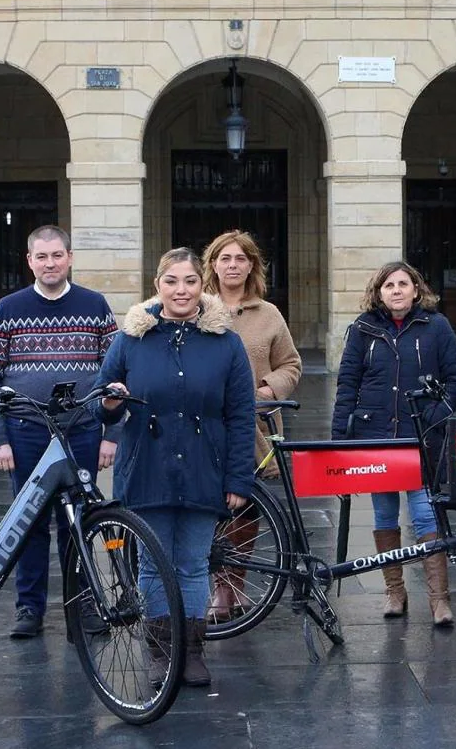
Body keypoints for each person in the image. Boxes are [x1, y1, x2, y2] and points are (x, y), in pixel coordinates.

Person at [94, 247, 254, 687]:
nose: (181, 290)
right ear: (157, 287)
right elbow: (101, 407)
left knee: (193, 562)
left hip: (205, 468)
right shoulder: (130, 338)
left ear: (202, 286)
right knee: (152, 563)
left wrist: (239, 477)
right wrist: (109, 401)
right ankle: (161, 652)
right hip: (147, 467)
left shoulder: (226, 342)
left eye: (189, 281)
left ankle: (192, 650)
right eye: (172, 281)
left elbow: (241, 415)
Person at [0, 225, 120, 639]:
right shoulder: (9, 307)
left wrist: (113, 434)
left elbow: (114, 375)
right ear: (29, 261)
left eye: (57, 255)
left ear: (70, 258)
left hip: (82, 430)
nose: (50, 263)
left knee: (80, 520)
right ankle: (29, 608)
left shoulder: (94, 305)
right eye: (42, 257)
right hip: (26, 431)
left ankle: (84, 605)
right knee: (30, 522)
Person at [331, 261, 456, 627]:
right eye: (388, 285)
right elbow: (347, 384)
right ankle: (395, 591)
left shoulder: (435, 326)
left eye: (403, 284)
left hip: (419, 439)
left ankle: (439, 599)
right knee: (383, 515)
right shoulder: (362, 330)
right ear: (378, 292)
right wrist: (338, 441)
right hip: (375, 436)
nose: (396, 290)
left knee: (425, 514)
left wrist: (437, 414)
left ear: (416, 289)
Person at [201, 230, 302, 622]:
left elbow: (291, 365)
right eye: (224, 258)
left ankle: (233, 586)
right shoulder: (196, 309)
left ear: (251, 266)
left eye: (240, 259)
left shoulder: (268, 314)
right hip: (205, 425)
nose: (232, 265)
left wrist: (265, 390)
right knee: (210, 506)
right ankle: (218, 587)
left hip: (253, 427)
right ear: (212, 265)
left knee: (245, 505)